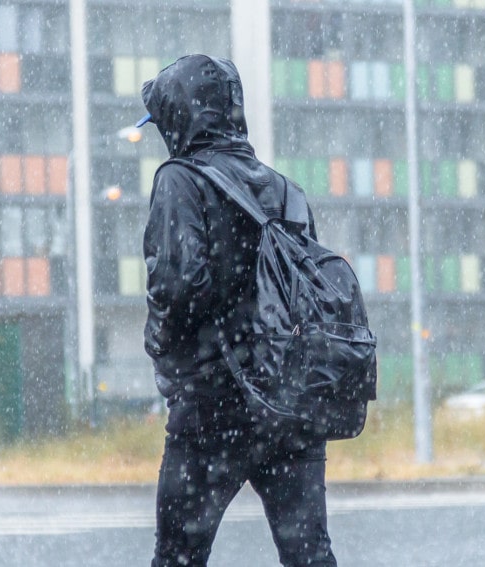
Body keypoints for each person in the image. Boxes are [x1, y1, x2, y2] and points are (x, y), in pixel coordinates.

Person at [137, 54, 337, 567]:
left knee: (179, 555)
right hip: (289, 404)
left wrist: (161, 349)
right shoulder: (285, 190)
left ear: (179, 118)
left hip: (211, 406)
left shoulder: (179, 181)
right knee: (309, 555)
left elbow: (178, 289)